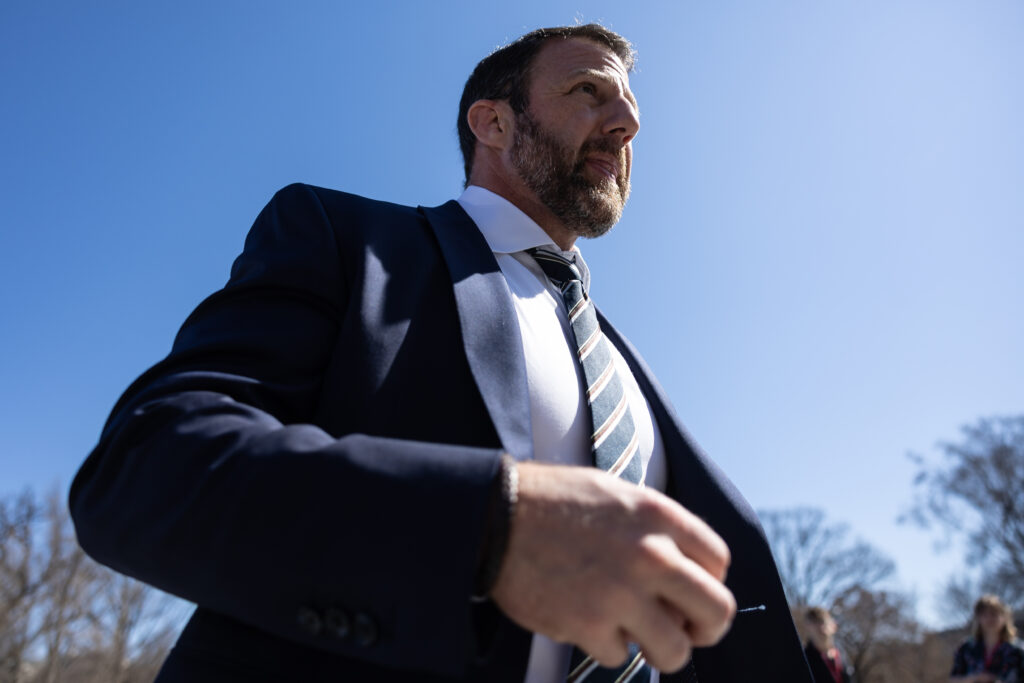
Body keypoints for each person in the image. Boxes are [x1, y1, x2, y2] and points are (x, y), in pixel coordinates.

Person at [70, 24, 814, 683]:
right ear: (493, 122)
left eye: (631, 110)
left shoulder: (623, 368)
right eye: (589, 91)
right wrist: (489, 528)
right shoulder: (345, 239)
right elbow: (146, 467)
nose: (626, 123)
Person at [950, 595, 1024, 683]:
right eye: (984, 615)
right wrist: (975, 678)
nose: (989, 618)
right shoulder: (966, 648)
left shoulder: (1017, 650)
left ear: (1004, 617)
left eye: (994, 614)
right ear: (978, 618)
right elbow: (954, 679)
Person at [803, 607, 852, 683]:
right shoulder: (805, 659)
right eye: (815, 623)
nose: (821, 628)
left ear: (834, 626)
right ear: (808, 628)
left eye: (823, 622)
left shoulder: (842, 654)